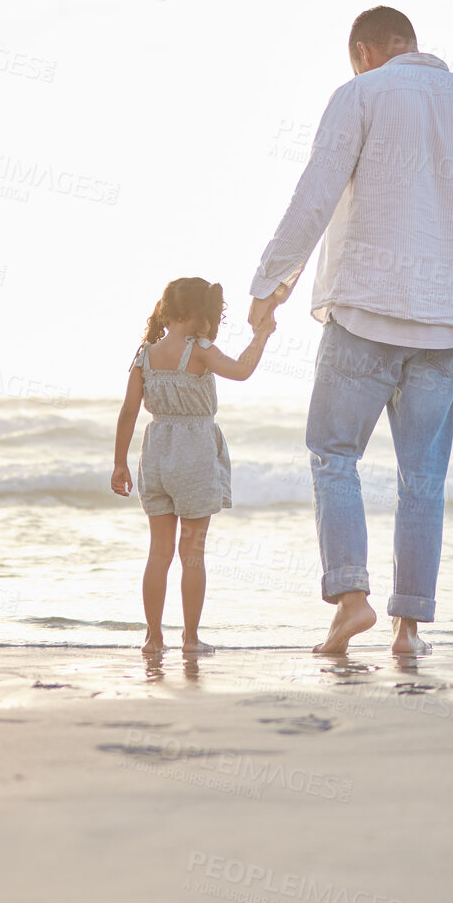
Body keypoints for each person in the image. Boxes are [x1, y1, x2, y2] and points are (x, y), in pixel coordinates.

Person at [246, 6, 453, 655]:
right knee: (422, 477)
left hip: (365, 306)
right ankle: (408, 629)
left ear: (365, 52)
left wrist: (269, 285)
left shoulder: (359, 93)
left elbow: (316, 191)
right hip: (447, 321)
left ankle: (351, 599)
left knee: (335, 455)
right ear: (408, 45)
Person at [112, 277, 276, 654]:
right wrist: (262, 335)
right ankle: (189, 638)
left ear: (168, 311)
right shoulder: (200, 351)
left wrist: (119, 463)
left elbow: (127, 413)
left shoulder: (144, 355)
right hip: (195, 456)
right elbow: (241, 370)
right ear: (200, 315)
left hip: (155, 455)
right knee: (192, 554)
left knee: (158, 553)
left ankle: (153, 639)